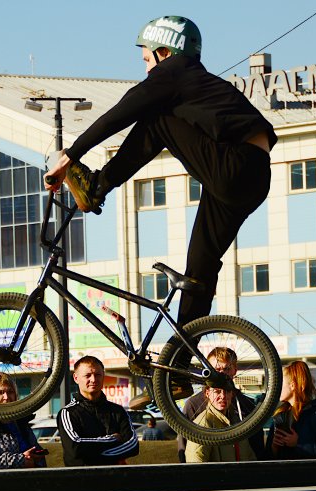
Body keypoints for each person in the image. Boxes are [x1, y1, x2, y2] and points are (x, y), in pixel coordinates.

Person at [44, 16, 276, 403]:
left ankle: (97, 185)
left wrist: (71, 155)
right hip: (246, 180)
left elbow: (123, 111)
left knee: (157, 119)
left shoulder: (176, 71)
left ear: (165, 51)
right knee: (198, 271)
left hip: (237, 165)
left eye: (147, 58)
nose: (145, 66)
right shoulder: (193, 82)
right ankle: (181, 368)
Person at [176, 347, 265, 462]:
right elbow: (185, 448)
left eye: (227, 368)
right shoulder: (193, 405)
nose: (222, 373)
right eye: (217, 369)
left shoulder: (247, 405)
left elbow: (256, 448)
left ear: (235, 370)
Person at [57, 356, 139, 466]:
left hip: (114, 480)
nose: (93, 380)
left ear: (103, 376)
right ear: (76, 378)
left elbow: (133, 445)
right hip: (81, 480)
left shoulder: (118, 411)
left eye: (98, 375)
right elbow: (74, 447)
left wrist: (97, 455)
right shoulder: (67, 413)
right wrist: (112, 439)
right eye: (87, 375)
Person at [266, 361, 316, 459]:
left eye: (281, 383)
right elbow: (267, 457)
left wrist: (298, 444)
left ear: (293, 386)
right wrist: (274, 447)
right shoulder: (280, 415)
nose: (277, 388)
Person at [185, 386, 253, 463]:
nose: (223, 396)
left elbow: (249, 457)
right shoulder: (203, 425)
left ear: (232, 394)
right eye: (217, 391)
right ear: (207, 393)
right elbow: (196, 465)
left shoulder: (236, 421)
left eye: (227, 391)